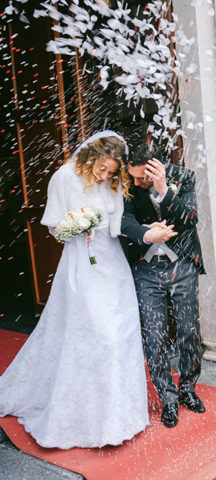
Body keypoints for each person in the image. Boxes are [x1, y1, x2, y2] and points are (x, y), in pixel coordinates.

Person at [0, 131, 149, 448]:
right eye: (102, 168)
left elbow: (115, 225)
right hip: (82, 264)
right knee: (97, 335)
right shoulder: (64, 178)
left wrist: (146, 232)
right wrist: (75, 225)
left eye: (111, 171)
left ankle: (120, 417)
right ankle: (84, 419)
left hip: (113, 267)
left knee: (120, 334)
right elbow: (55, 227)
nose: (105, 175)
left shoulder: (112, 182)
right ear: (90, 156)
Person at [121, 143, 205, 428]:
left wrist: (164, 191)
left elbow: (190, 219)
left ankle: (187, 389)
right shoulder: (128, 186)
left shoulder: (185, 177)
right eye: (132, 177)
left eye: (142, 177)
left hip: (182, 265)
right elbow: (125, 220)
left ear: (156, 166)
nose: (136, 183)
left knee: (189, 331)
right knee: (155, 338)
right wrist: (148, 234)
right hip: (147, 269)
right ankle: (168, 399)